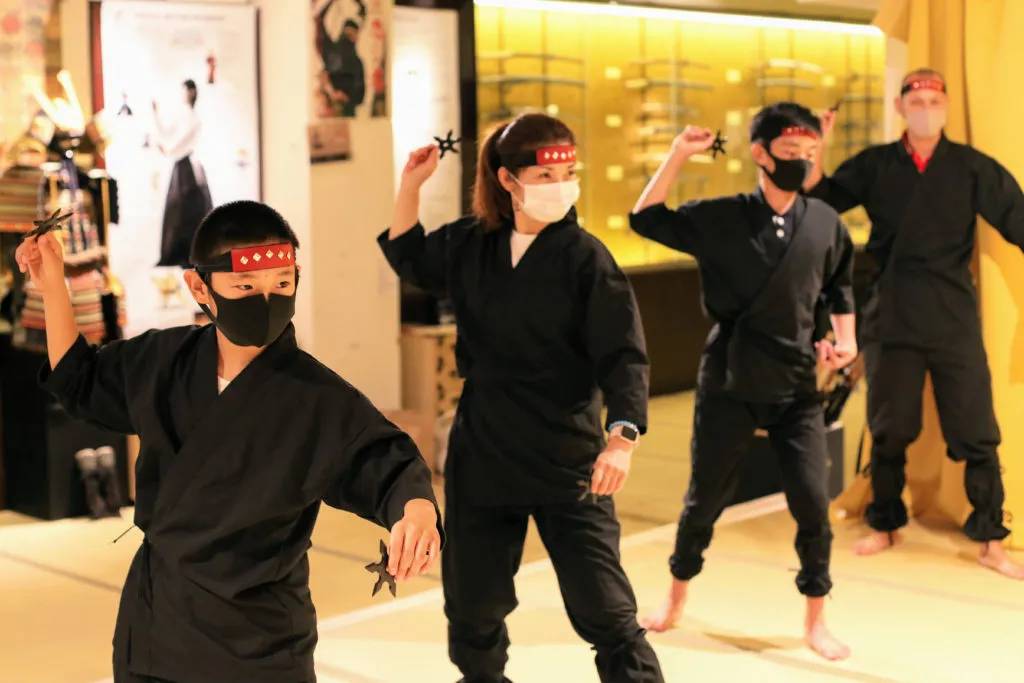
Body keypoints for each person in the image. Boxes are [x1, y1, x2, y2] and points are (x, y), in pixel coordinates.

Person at [15, 200, 442, 682]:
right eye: (245, 286)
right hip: (157, 627)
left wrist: (417, 511)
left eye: (282, 284)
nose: (266, 300)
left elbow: (387, 463)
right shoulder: (163, 360)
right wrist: (54, 284)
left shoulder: (317, 397)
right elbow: (80, 379)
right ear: (200, 287)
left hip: (259, 643)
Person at [379, 113, 663, 683]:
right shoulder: (471, 243)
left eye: (568, 173)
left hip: (568, 452)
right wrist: (411, 184)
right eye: (545, 175)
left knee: (605, 607)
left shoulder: (586, 257)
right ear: (508, 180)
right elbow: (409, 257)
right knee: (473, 603)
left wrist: (622, 439)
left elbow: (625, 355)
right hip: (485, 448)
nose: (561, 185)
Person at [630, 103, 856, 661]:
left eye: (810, 153)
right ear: (760, 153)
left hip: (798, 385)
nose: (802, 162)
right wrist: (678, 154)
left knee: (813, 501)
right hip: (730, 378)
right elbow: (646, 219)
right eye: (790, 152)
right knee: (704, 497)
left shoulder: (825, 222)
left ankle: (816, 618)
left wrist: (845, 341)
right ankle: (675, 596)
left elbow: (839, 288)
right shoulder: (723, 217)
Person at [804, 69, 1024, 579]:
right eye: (916, 100)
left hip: (952, 315)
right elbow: (820, 201)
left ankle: (992, 538)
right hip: (892, 313)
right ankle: (885, 524)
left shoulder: (971, 167)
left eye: (934, 100)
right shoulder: (877, 165)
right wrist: (818, 148)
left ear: (945, 107)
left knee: (976, 429)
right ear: (900, 107)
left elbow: (1017, 218)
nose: (926, 108)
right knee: (890, 427)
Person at [153, 78, 213, 267]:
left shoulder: (193, 117)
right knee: (177, 211)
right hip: (180, 166)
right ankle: (177, 253)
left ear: (191, 92)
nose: (182, 94)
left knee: (188, 211)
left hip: (188, 167)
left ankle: (191, 254)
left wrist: (169, 150)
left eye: (184, 90)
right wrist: (156, 114)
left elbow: (183, 140)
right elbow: (168, 133)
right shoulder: (183, 114)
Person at [317, 0, 366, 118]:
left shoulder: (357, 63)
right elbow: (320, 19)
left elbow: (360, 95)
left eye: (353, 35)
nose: (349, 38)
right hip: (331, 115)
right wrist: (332, 92)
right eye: (347, 35)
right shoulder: (332, 53)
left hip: (349, 115)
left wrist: (346, 98)